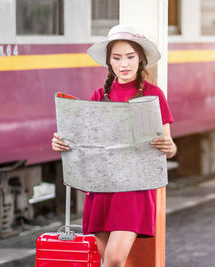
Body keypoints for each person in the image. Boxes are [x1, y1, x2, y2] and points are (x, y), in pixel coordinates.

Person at [51, 24, 177, 267]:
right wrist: (62, 143)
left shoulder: (152, 96)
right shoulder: (99, 96)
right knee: (104, 261)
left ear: (140, 59)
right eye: (117, 58)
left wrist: (168, 146)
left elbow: (169, 149)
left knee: (115, 259)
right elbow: (85, 144)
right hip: (101, 189)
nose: (124, 64)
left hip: (134, 191)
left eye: (130, 57)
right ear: (110, 62)